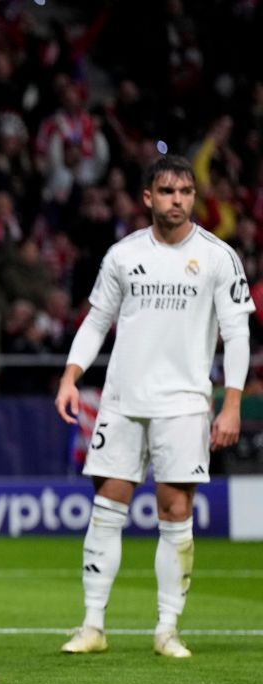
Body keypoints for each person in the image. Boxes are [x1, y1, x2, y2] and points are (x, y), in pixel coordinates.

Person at [55, 155, 253, 658]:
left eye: (185, 191)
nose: (178, 200)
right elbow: (97, 320)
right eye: (167, 191)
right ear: (148, 197)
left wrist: (231, 403)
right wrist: (71, 375)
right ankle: (92, 626)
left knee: (175, 510)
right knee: (106, 509)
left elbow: (236, 333)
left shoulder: (217, 256)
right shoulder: (123, 255)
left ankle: (167, 629)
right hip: (122, 400)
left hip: (184, 403)